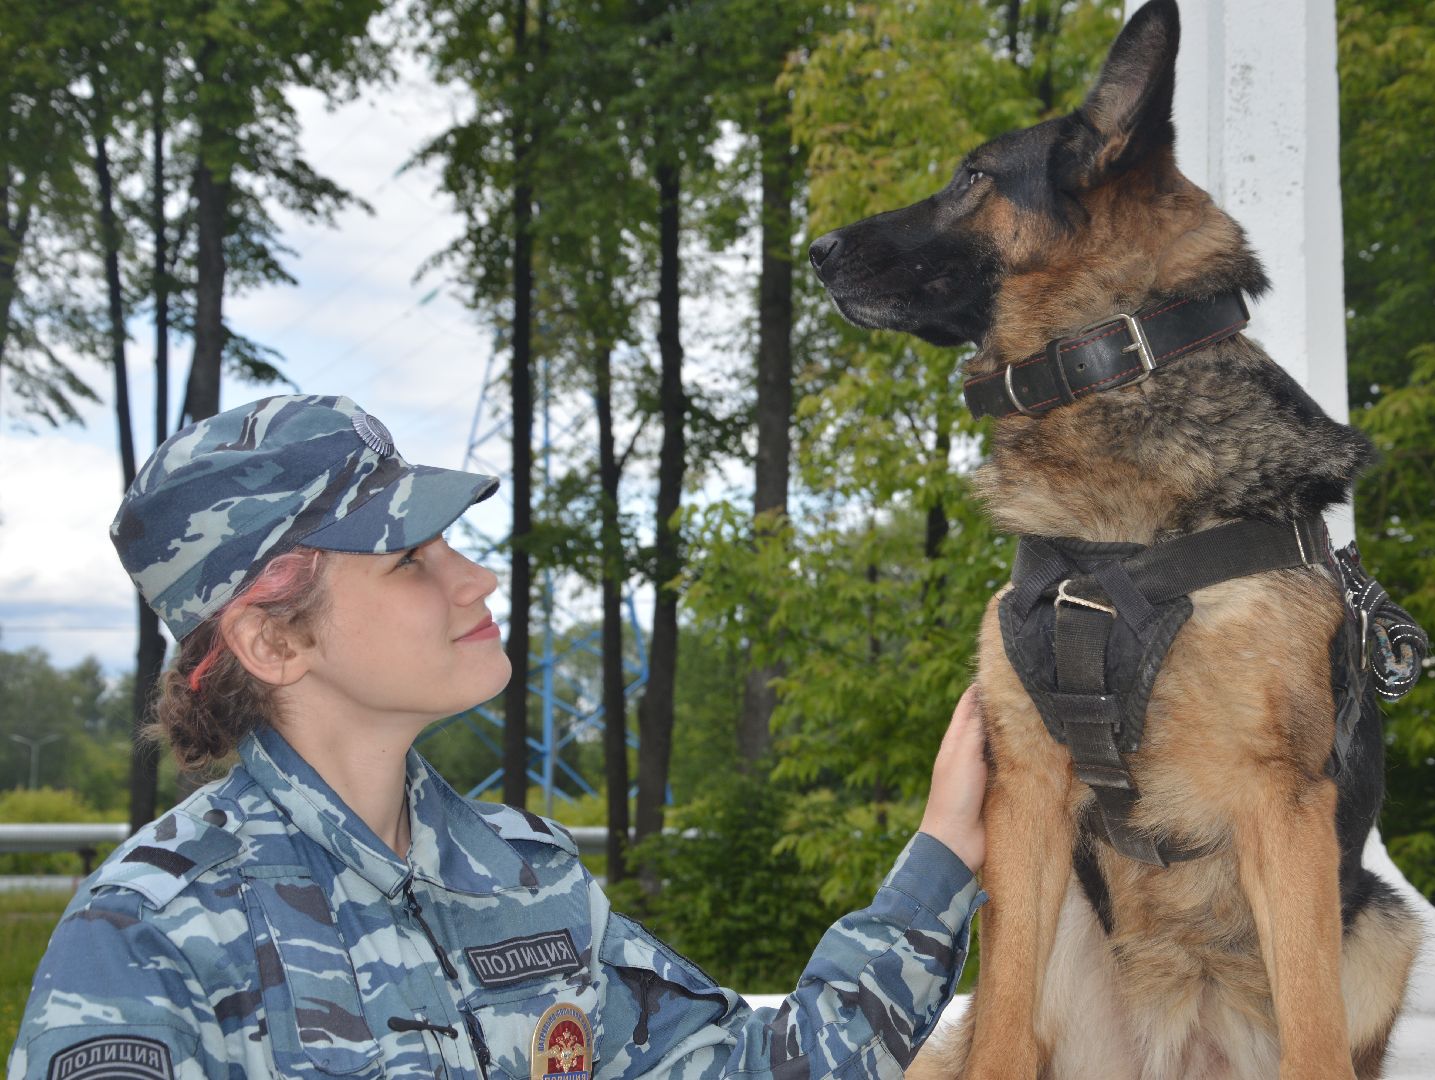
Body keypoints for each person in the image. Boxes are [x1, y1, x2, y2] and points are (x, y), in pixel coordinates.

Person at [6, 394, 987, 1080]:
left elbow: (767, 1068)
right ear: (274, 640)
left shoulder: (527, 881)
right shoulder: (148, 937)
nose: (475, 579)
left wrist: (945, 849)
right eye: (409, 560)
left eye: (452, 546)